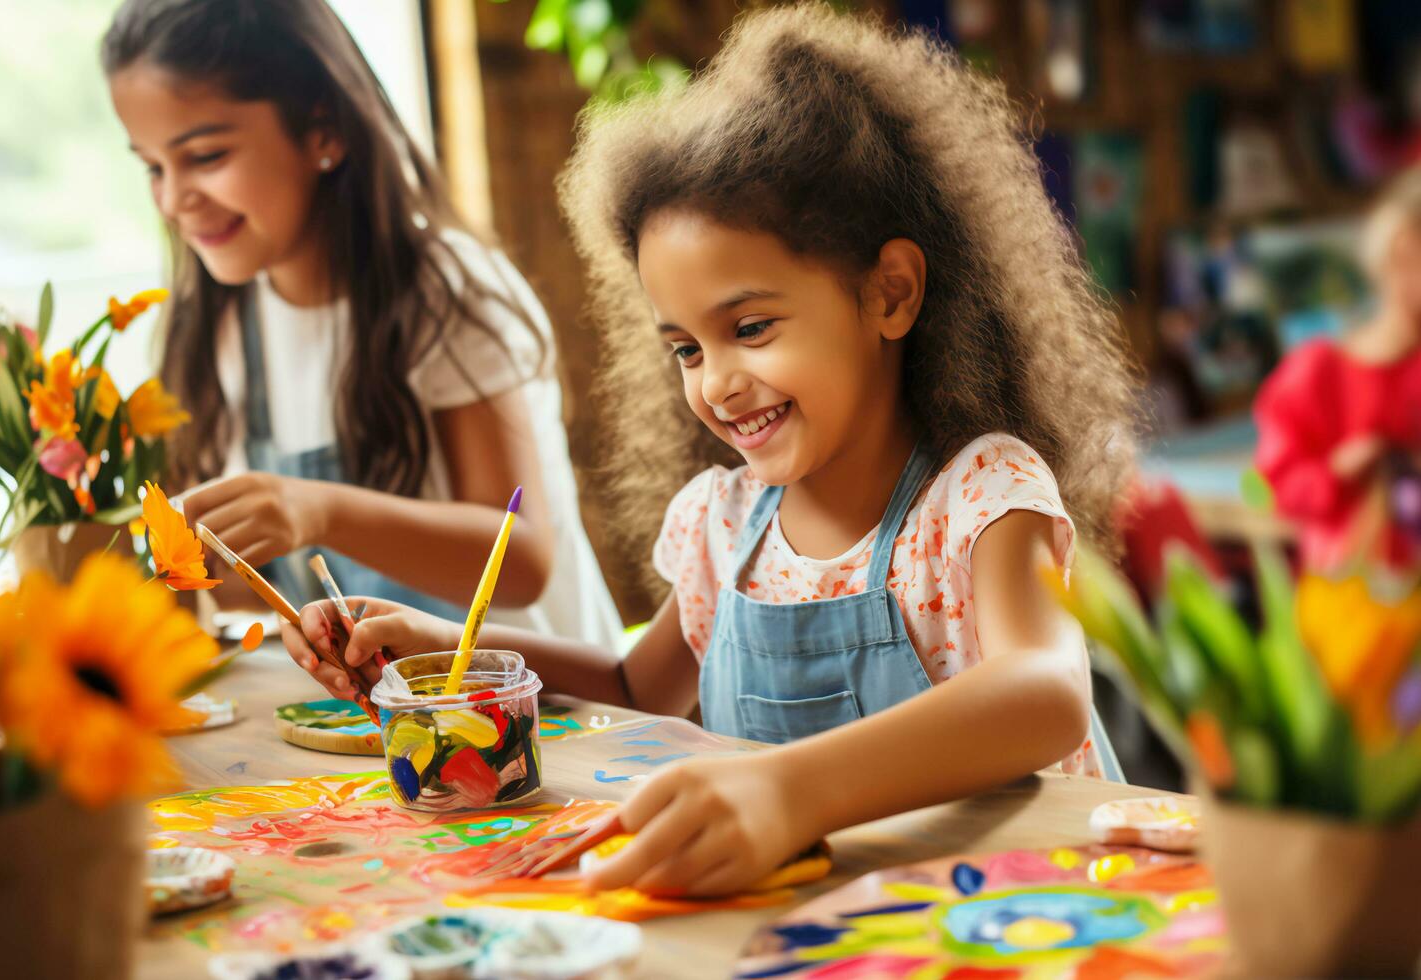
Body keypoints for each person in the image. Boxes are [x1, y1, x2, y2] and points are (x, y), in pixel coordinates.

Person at [283, 3, 1136, 895]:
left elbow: (1043, 694)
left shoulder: (981, 497)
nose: (716, 381)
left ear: (889, 294)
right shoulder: (724, 530)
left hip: (1035, 918)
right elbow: (633, 681)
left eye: (751, 327)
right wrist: (447, 645)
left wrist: (789, 789)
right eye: (687, 348)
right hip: (843, 926)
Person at [100, 0, 621, 646]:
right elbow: (267, 576)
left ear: (323, 128)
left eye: (204, 156)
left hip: (537, 714)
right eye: (153, 166)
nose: (174, 199)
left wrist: (315, 509)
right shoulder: (219, 320)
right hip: (372, 722)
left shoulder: (444, 290)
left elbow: (519, 564)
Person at [1255, 168, 1421, 571]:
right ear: (1402, 251)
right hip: (1353, 604)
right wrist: (1339, 469)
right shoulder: (1317, 372)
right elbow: (1274, 486)